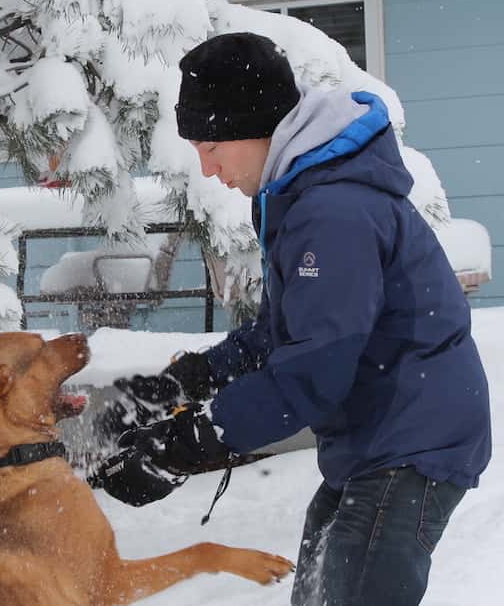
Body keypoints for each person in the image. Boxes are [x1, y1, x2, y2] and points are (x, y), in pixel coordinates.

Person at [92, 32, 492, 606]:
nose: (208, 169)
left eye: (211, 146)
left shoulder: (333, 210)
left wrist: (188, 442)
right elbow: (284, 330)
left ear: (254, 127)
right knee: (319, 592)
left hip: (411, 438)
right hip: (378, 435)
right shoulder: (305, 191)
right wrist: (192, 380)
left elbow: (313, 371)